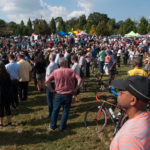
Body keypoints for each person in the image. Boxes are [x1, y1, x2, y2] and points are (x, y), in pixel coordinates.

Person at [110, 76, 150, 150]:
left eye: (121, 90)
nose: (118, 93)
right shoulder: (146, 117)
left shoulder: (128, 137)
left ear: (133, 100)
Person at [45, 57, 82, 131]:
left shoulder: (55, 71)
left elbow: (47, 80)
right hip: (68, 94)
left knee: (55, 110)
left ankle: (52, 126)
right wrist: (76, 89)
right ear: (66, 63)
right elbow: (79, 79)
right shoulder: (70, 71)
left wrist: (51, 89)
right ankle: (62, 127)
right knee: (65, 110)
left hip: (58, 93)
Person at [45, 53, 58, 118]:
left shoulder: (49, 67)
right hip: (55, 82)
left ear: (50, 58)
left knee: (49, 100)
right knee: (54, 99)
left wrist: (49, 87)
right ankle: (54, 111)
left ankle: (51, 113)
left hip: (50, 83)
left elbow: (47, 78)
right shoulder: (56, 65)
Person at [0, 61, 12, 128]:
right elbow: (10, 84)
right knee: (7, 108)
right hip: (7, 93)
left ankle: (1, 124)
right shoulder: (7, 74)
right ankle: (9, 122)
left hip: (1, 94)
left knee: (1, 109)